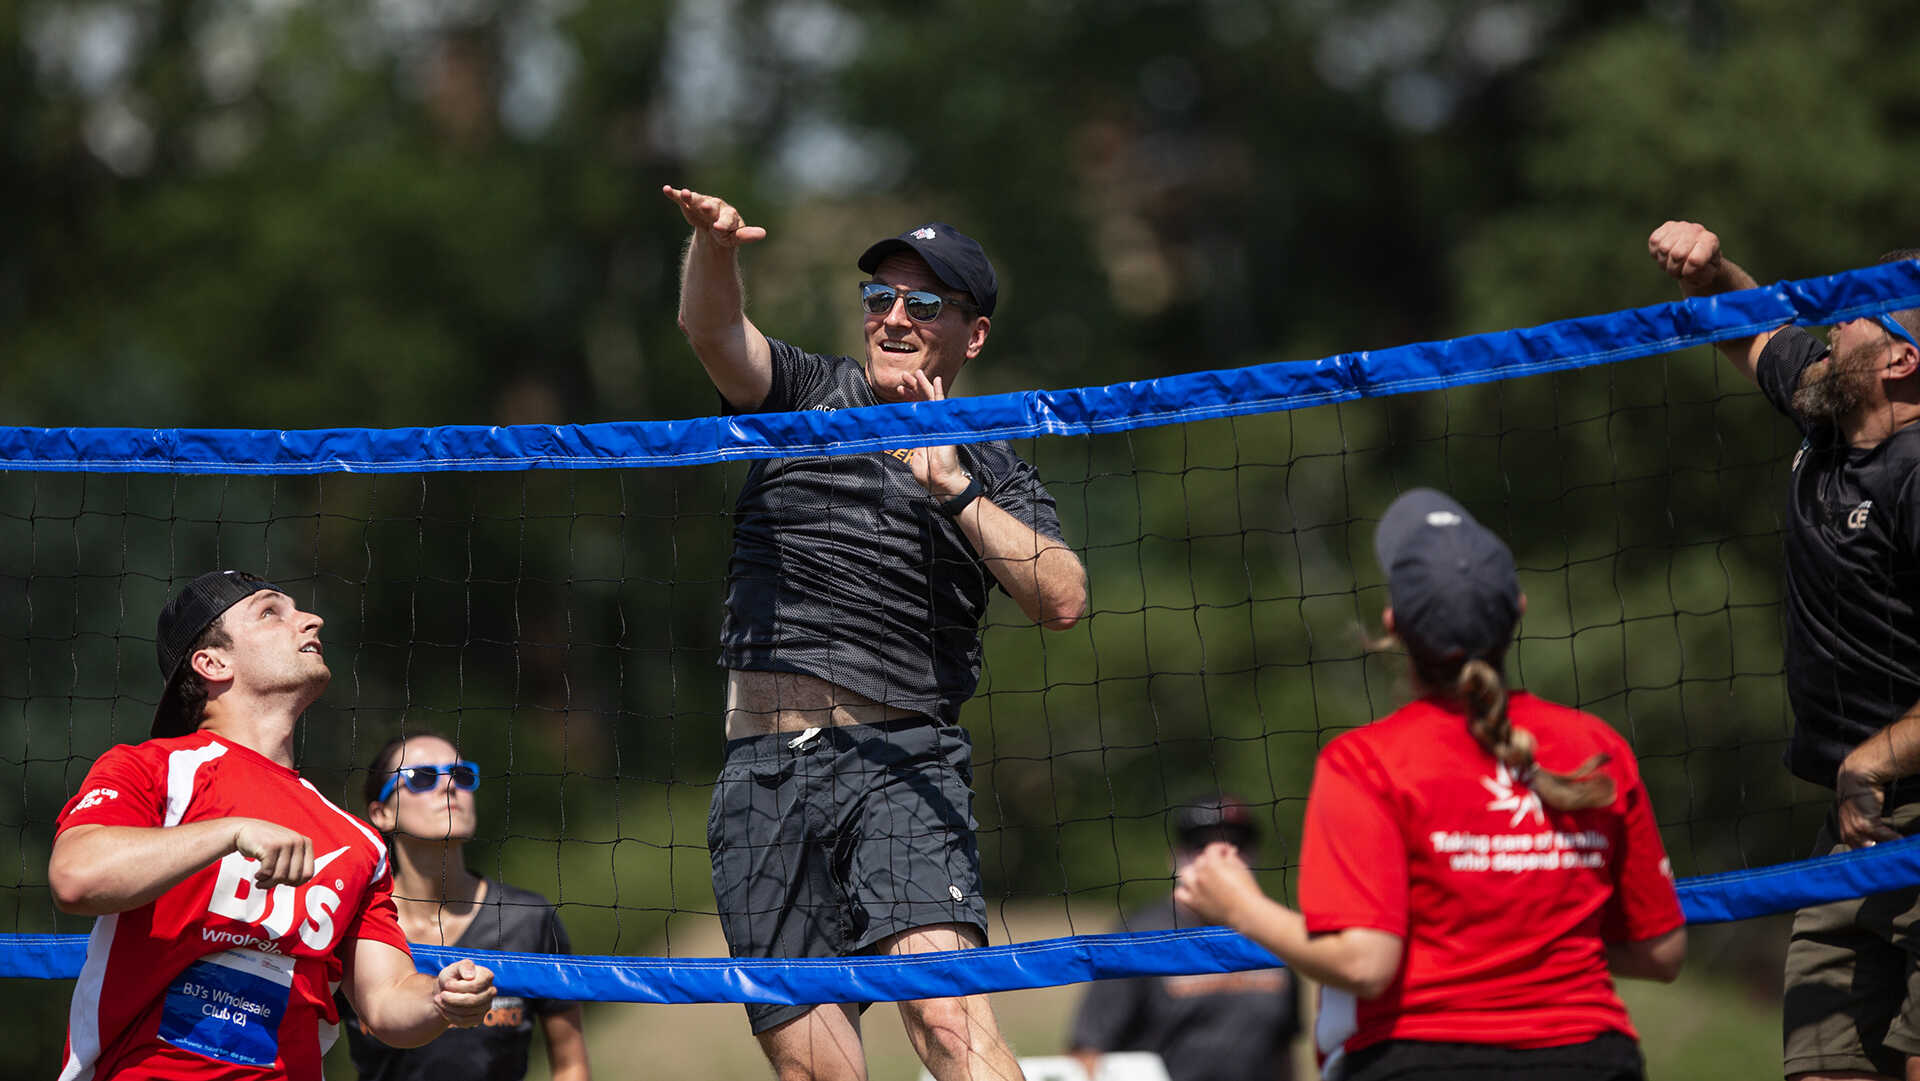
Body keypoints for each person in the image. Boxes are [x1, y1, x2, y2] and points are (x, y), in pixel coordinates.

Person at [661, 186, 1090, 1081]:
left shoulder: (990, 459)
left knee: (947, 1021)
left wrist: (954, 490)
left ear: (970, 335)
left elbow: (1063, 594)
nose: (894, 317)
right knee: (820, 1070)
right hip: (762, 777)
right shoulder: (806, 392)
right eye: (879, 298)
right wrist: (715, 248)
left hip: (899, 765)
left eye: (923, 304)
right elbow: (713, 333)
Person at [1176, 489, 1686, 1081]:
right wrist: (1526, 937)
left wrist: (1239, 906)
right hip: (1595, 1060)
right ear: (1518, 609)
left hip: (1420, 1060)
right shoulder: (1597, 747)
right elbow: (1660, 952)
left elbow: (1365, 963)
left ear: (1392, 625)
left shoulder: (1365, 761)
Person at [1650, 222, 1920, 1081]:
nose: (1826, 321)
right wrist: (1711, 265)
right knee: (1821, 1065)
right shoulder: (1828, 410)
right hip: (1853, 830)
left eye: (1851, 316)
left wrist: (1877, 754)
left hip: (1903, 803)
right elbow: (1752, 321)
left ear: (1899, 361)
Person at [47, 569, 496, 1081]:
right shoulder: (153, 769)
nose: (311, 620)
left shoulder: (358, 843)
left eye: (298, 609)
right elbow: (75, 878)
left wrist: (440, 997)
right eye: (270, 612)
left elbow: (387, 1001)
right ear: (213, 662)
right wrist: (231, 831)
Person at [336, 732, 590, 1081]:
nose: (449, 787)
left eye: (462, 775)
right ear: (381, 813)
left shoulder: (527, 918)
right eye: (421, 777)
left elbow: (570, 1064)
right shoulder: (351, 923)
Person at [1067, 795, 1303, 1081]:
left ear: (1254, 855)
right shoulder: (1138, 937)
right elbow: (1087, 1049)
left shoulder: (1275, 932)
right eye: (1201, 846)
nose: (1218, 860)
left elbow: (1285, 1049)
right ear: (1175, 857)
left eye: (1234, 845)